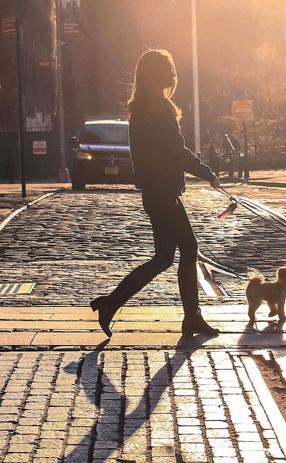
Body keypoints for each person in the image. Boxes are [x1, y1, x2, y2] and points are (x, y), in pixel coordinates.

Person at [90, 49, 221, 338]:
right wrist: (208, 173)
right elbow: (177, 151)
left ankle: (113, 305)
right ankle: (188, 318)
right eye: (168, 70)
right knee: (182, 251)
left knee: (169, 255)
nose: (173, 75)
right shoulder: (158, 109)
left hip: (157, 192)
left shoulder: (141, 109)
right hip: (162, 192)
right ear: (157, 75)